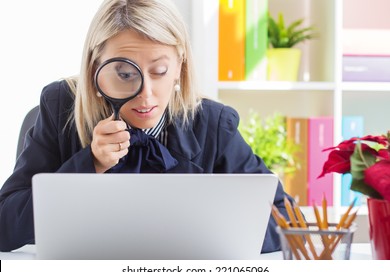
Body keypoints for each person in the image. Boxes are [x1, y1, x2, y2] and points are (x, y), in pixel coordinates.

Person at [0, 0, 295, 253]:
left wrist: (198, 226)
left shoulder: (214, 124)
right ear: (94, 69)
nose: (146, 94)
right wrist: (89, 164)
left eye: (160, 71)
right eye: (125, 73)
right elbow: (5, 224)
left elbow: (288, 221)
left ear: (180, 66)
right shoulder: (60, 105)